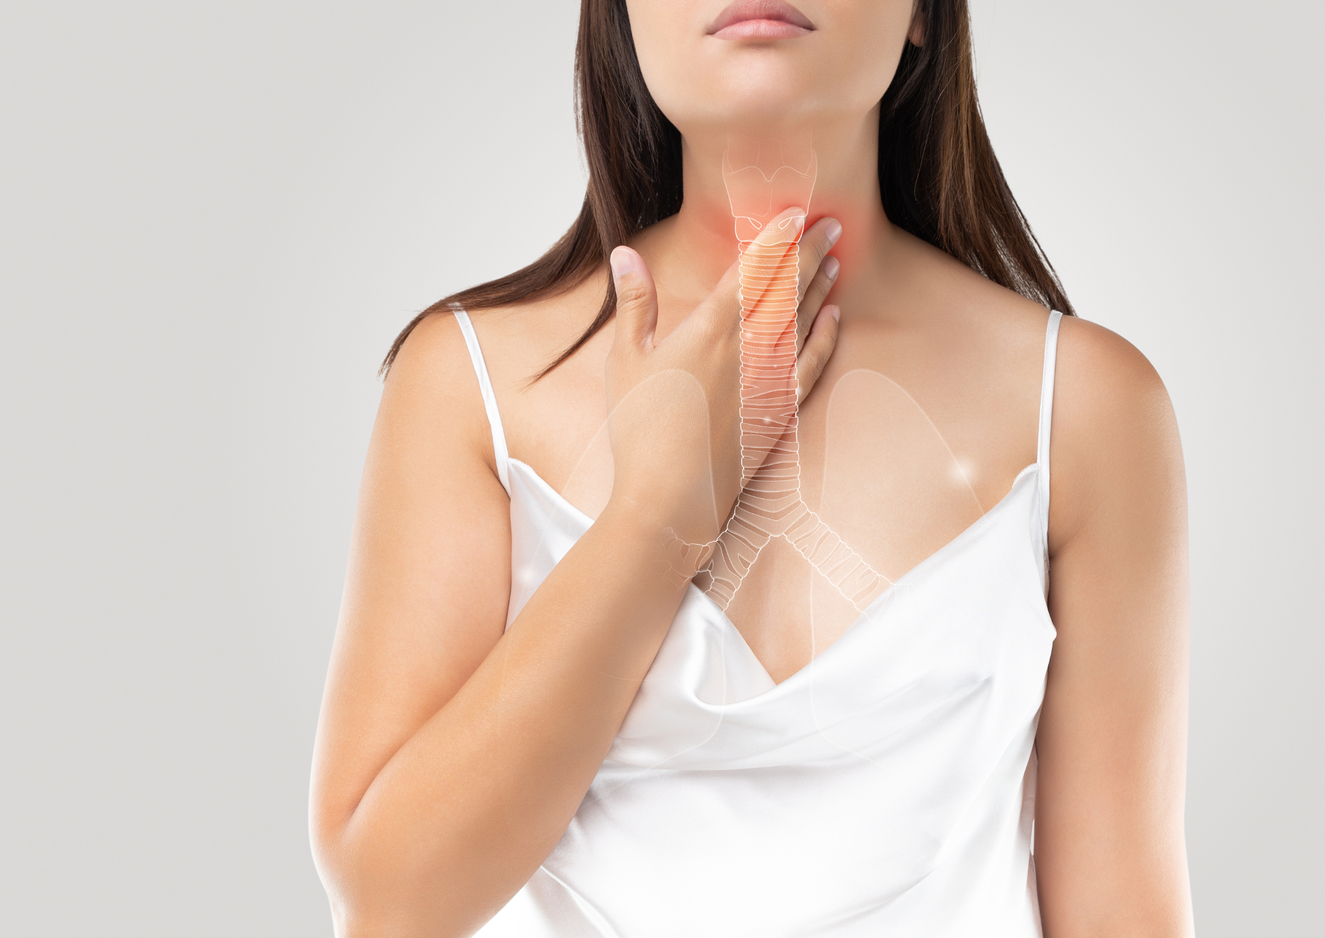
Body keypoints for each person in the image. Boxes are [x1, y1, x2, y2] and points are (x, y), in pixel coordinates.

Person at [309, 1, 1193, 936]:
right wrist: (657, 512)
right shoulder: (473, 383)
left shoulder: (1087, 409)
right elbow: (389, 903)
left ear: (925, 16)